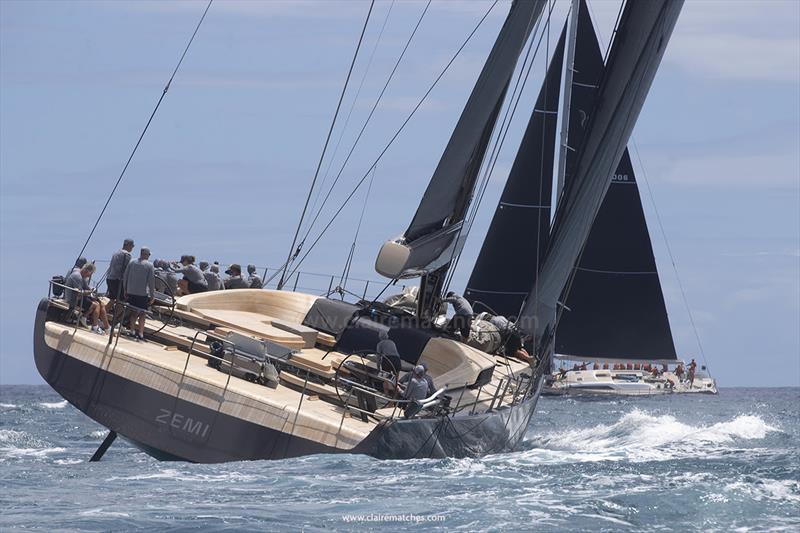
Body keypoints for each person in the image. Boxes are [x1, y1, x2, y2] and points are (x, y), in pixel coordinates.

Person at [65, 262, 109, 334]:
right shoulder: (77, 276)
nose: (89, 276)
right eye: (90, 274)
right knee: (96, 305)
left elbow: (86, 287)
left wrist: (92, 290)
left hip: (79, 297)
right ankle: (94, 326)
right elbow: (80, 292)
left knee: (99, 303)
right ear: (86, 271)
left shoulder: (82, 276)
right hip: (73, 299)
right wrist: (89, 292)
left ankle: (87, 319)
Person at [124, 247, 156, 342]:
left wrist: (125, 290)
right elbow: (151, 282)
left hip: (131, 292)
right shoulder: (150, 265)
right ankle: (141, 333)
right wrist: (152, 295)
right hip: (142, 293)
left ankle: (132, 331)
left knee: (133, 312)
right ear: (146, 254)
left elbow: (126, 276)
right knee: (142, 313)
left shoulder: (132, 262)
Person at [106, 238, 134, 320]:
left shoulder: (116, 253)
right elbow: (127, 271)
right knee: (121, 303)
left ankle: (101, 318)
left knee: (111, 301)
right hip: (118, 280)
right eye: (132, 246)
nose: (132, 248)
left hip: (110, 278)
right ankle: (114, 322)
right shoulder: (127, 255)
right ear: (128, 245)